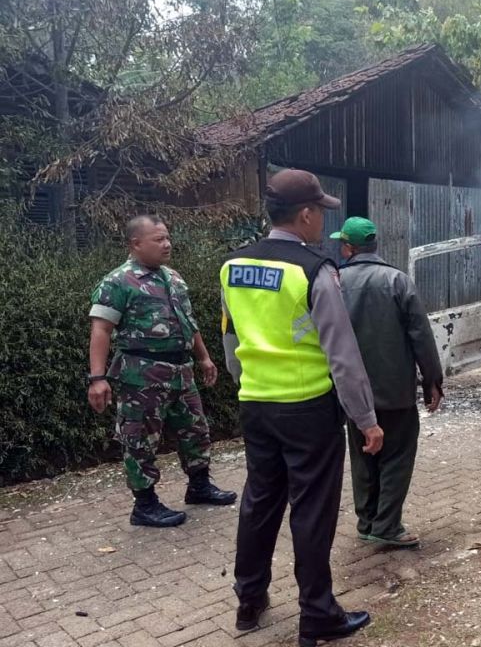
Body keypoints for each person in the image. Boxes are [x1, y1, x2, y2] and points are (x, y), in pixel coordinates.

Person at [220, 169, 383, 645]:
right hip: (308, 408)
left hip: (256, 403)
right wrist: (366, 419)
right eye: (320, 214)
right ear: (306, 214)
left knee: (259, 500)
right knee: (311, 511)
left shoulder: (232, 265)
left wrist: (247, 383)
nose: (321, 224)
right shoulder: (315, 270)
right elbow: (343, 354)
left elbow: (231, 339)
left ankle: (248, 600)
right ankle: (317, 615)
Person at [88, 215, 237, 529]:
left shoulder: (173, 278)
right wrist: (97, 378)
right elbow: (101, 329)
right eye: (158, 239)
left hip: (181, 370)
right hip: (141, 374)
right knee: (139, 439)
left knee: (195, 430)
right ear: (135, 244)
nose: (167, 244)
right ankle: (145, 505)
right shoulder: (118, 281)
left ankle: (199, 486)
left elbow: (188, 322)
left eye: (167, 237)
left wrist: (204, 358)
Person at [333, 217, 444, 548]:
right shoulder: (398, 281)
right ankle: (387, 525)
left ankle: (367, 522)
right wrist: (432, 382)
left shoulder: (334, 283)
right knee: (396, 455)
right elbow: (421, 337)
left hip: (353, 394)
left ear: (349, 248)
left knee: (363, 453)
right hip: (395, 392)